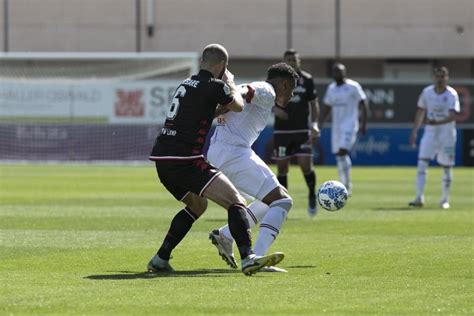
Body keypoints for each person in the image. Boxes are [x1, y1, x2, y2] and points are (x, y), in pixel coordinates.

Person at [147, 44, 283, 276]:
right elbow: (239, 107)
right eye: (225, 68)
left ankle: (160, 258)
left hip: (162, 159)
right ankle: (249, 257)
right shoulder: (216, 86)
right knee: (236, 201)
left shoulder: (186, 83)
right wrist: (229, 82)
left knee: (197, 205)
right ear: (221, 66)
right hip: (185, 161)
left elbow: (205, 112)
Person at [207, 63, 298, 273]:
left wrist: (222, 104)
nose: (291, 94)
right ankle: (255, 257)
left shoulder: (262, 91)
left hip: (222, 150)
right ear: (284, 84)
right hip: (233, 152)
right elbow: (244, 91)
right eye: (292, 89)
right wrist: (226, 101)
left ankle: (225, 235)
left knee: (267, 202)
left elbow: (235, 97)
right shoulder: (267, 90)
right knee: (282, 200)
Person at [272, 49, 320, 216]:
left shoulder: (307, 79)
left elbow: (314, 104)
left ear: (299, 61)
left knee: (305, 164)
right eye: (289, 59)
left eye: (294, 59)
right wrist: (274, 109)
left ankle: (312, 195)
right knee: (282, 168)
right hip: (282, 130)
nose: (292, 62)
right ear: (284, 61)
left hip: (301, 129)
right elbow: (266, 98)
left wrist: (314, 124)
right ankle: (282, 204)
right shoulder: (275, 79)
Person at [408, 67, 460, 209]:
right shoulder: (427, 92)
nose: (440, 79)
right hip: (430, 133)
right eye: (437, 76)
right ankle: (419, 197)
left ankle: (445, 199)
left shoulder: (451, 94)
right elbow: (420, 111)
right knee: (422, 163)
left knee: (447, 167)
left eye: (442, 76)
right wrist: (414, 131)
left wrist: (437, 122)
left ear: (447, 78)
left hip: (446, 134)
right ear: (433, 78)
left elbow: (453, 116)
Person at [319, 63, 369, 195]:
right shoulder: (331, 88)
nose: (338, 74)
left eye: (340, 71)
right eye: (335, 72)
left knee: (342, 152)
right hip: (337, 127)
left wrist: (364, 123)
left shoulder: (353, 86)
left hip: (350, 125)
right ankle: (344, 183)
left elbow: (363, 103)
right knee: (339, 156)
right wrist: (320, 124)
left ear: (345, 73)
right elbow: (327, 107)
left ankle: (346, 185)